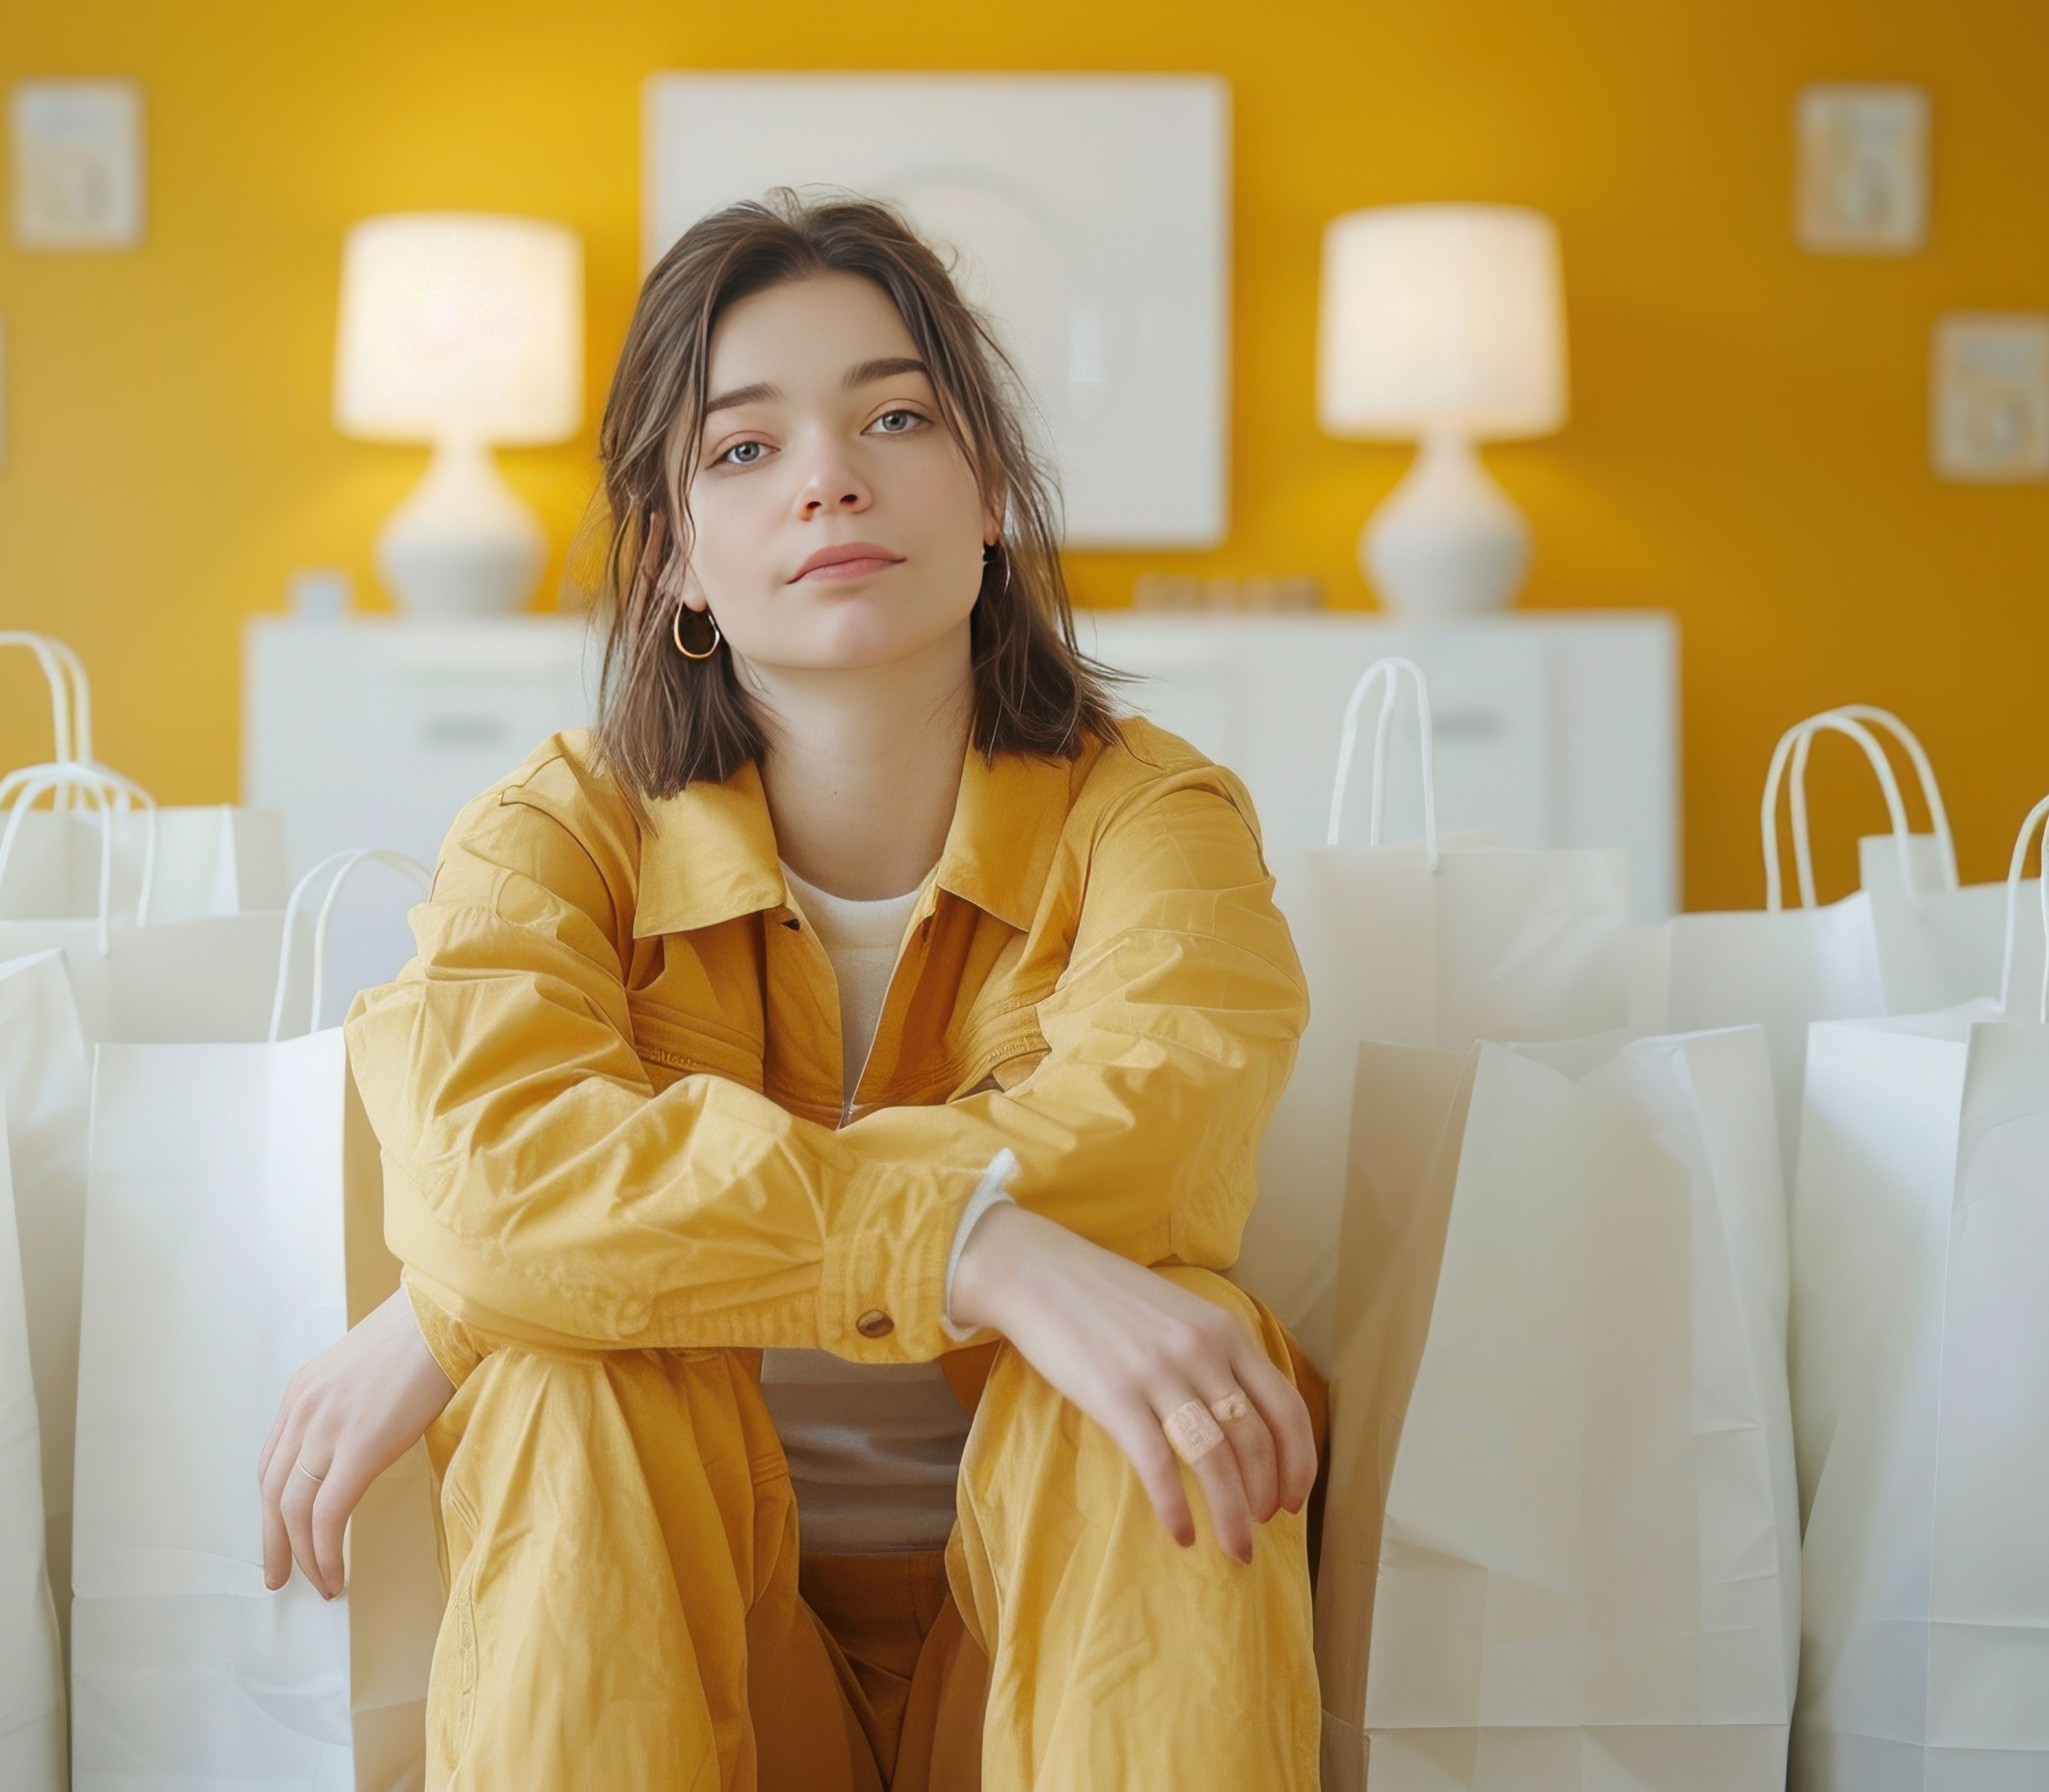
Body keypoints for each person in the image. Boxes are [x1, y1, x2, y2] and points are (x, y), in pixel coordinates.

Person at [257, 190, 1320, 1791]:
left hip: (1057, 1634)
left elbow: (1166, 1140)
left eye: (895, 416)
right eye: (745, 449)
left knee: (1179, 1370)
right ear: (675, 556)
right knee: (561, 1385)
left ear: (989, 497)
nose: (829, 474)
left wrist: (466, 1296)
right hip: (700, 1640)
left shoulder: (1153, 819)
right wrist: (982, 1244)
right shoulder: (556, 833)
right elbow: (485, 1184)